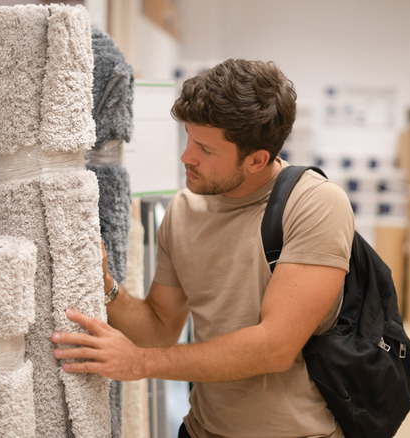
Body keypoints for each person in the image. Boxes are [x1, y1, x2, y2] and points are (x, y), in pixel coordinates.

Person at [51, 58, 355, 438]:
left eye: (206, 150)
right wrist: (105, 282)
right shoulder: (182, 211)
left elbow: (274, 347)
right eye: (189, 140)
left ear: (257, 160)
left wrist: (141, 363)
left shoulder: (314, 204)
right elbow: (160, 328)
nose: (186, 157)